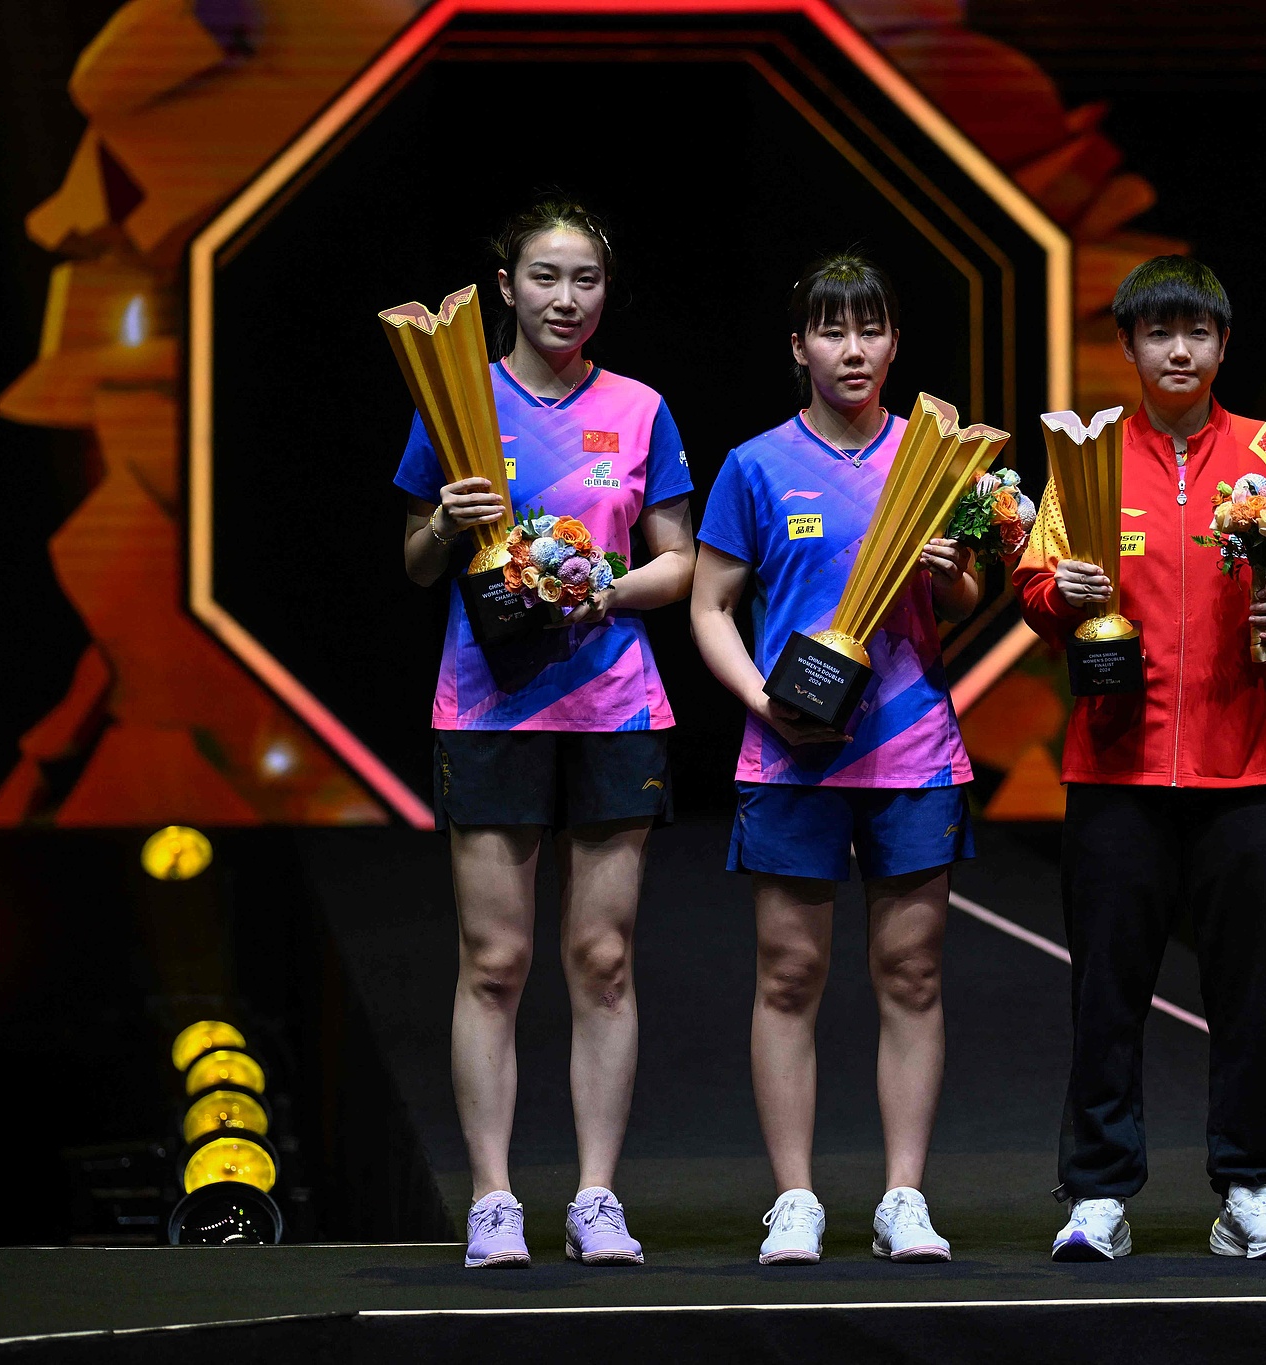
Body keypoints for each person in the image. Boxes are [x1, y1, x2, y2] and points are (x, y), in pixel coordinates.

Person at [1013, 256, 1266, 1262]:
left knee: (1248, 992)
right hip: (1113, 772)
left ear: (1222, 345)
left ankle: (1247, 1189)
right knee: (1106, 991)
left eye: (1196, 332)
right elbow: (1033, 590)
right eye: (1158, 333)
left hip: (1247, 771)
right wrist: (1060, 593)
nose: (1178, 350)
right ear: (1127, 349)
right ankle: (1099, 1196)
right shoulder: (1087, 456)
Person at [396, 200, 695, 1269]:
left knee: (602, 959)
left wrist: (598, 586)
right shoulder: (456, 399)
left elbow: (678, 562)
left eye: (586, 280)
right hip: (487, 707)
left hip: (615, 707)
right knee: (496, 959)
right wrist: (441, 518)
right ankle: (490, 1199)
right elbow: (418, 564)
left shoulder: (641, 406)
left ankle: (596, 1198)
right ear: (506, 285)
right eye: (545, 277)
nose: (566, 299)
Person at [689, 253, 982, 1266]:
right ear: (798, 348)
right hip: (792, 757)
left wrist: (951, 575)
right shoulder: (754, 465)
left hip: (912, 751)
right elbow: (709, 605)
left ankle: (904, 1196)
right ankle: (796, 1198)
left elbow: (963, 601)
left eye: (870, 330)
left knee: (909, 971)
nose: (852, 350)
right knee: (789, 973)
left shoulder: (934, 460)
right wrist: (761, 705)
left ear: (894, 343)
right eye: (831, 331)